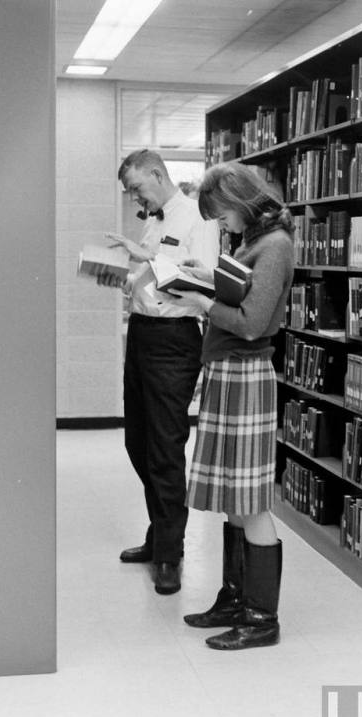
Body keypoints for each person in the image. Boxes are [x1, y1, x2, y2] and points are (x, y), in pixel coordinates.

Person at [166, 161, 294, 649]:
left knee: (250, 499)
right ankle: (236, 598)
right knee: (231, 497)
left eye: (221, 216)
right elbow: (240, 296)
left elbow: (251, 323)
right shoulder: (251, 242)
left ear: (241, 202)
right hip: (228, 374)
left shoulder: (275, 246)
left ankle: (262, 619)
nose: (221, 225)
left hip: (245, 374)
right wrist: (204, 278)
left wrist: (201, 303)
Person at [99, 149, 219, 596]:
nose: (135, 197)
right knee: (139, 441)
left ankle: (170, 551)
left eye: (136, 187)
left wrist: (144, 259)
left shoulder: (198, 218)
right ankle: (160, 532)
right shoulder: (154, 220)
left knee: (166, 447)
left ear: (157, 173)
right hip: (143, 334)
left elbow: (205, 282)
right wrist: (121, 276)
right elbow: (146, 280)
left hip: (175, 340)